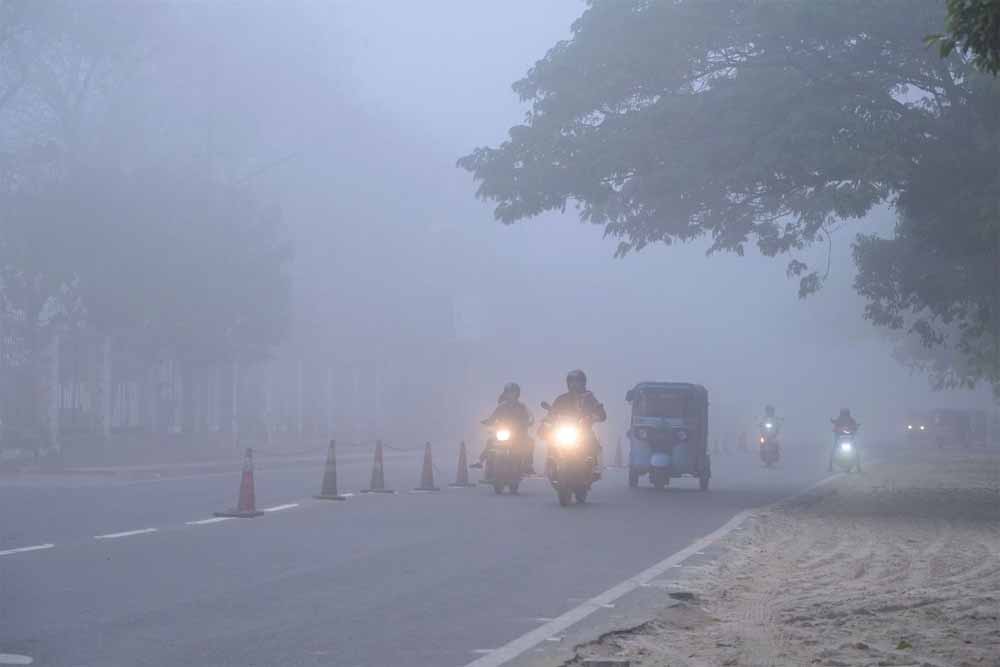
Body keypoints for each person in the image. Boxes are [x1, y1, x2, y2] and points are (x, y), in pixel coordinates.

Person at [543, 370, 606, 470]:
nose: (574, 385)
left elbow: (601, 413)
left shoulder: (589, 398)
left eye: (577, 382)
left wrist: (591, 417)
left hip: (583, 431)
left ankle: (593, 466)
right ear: (568, 383)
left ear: (583, 383)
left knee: (591, 441)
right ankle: (552, 465)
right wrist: (545, 425)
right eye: (571, 382)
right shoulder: (561, 399)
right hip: (563, 430)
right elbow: (551, 414)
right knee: (552, 441)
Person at [473, 382, 534, 473]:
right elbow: (493, 417)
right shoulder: (501, 407)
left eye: (513, 392)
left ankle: (528, 465)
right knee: (490, 441)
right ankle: (480, 461)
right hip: (503, 433)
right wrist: (488, 422)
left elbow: (530, 417)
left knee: (530, 442)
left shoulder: (522, 407)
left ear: (517, 394)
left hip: (519, 435)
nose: (511, 395)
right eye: (509, 392)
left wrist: (528, 422)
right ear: (505, 394)